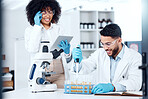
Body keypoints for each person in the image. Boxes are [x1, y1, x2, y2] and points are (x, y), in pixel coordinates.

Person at [71, 24, 142, 93]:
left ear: (119, 41)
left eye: (108, 44)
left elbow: (135, 83)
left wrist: (113, 87)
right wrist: (78, 62)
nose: (105, 48)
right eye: (102, 44)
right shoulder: (100, 53)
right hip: (103, 96)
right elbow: (86, 67)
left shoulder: (134, 57)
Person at [25, 0, 70, 88]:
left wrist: (67, 52)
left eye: (50, 12)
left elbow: (63, 53)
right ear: (36, 13)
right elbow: (32, 49)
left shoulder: (58, 29)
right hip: (40, 71)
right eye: (44, 12)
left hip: (59, 72)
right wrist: (37, 27)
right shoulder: (30, 30)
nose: (48, 15)